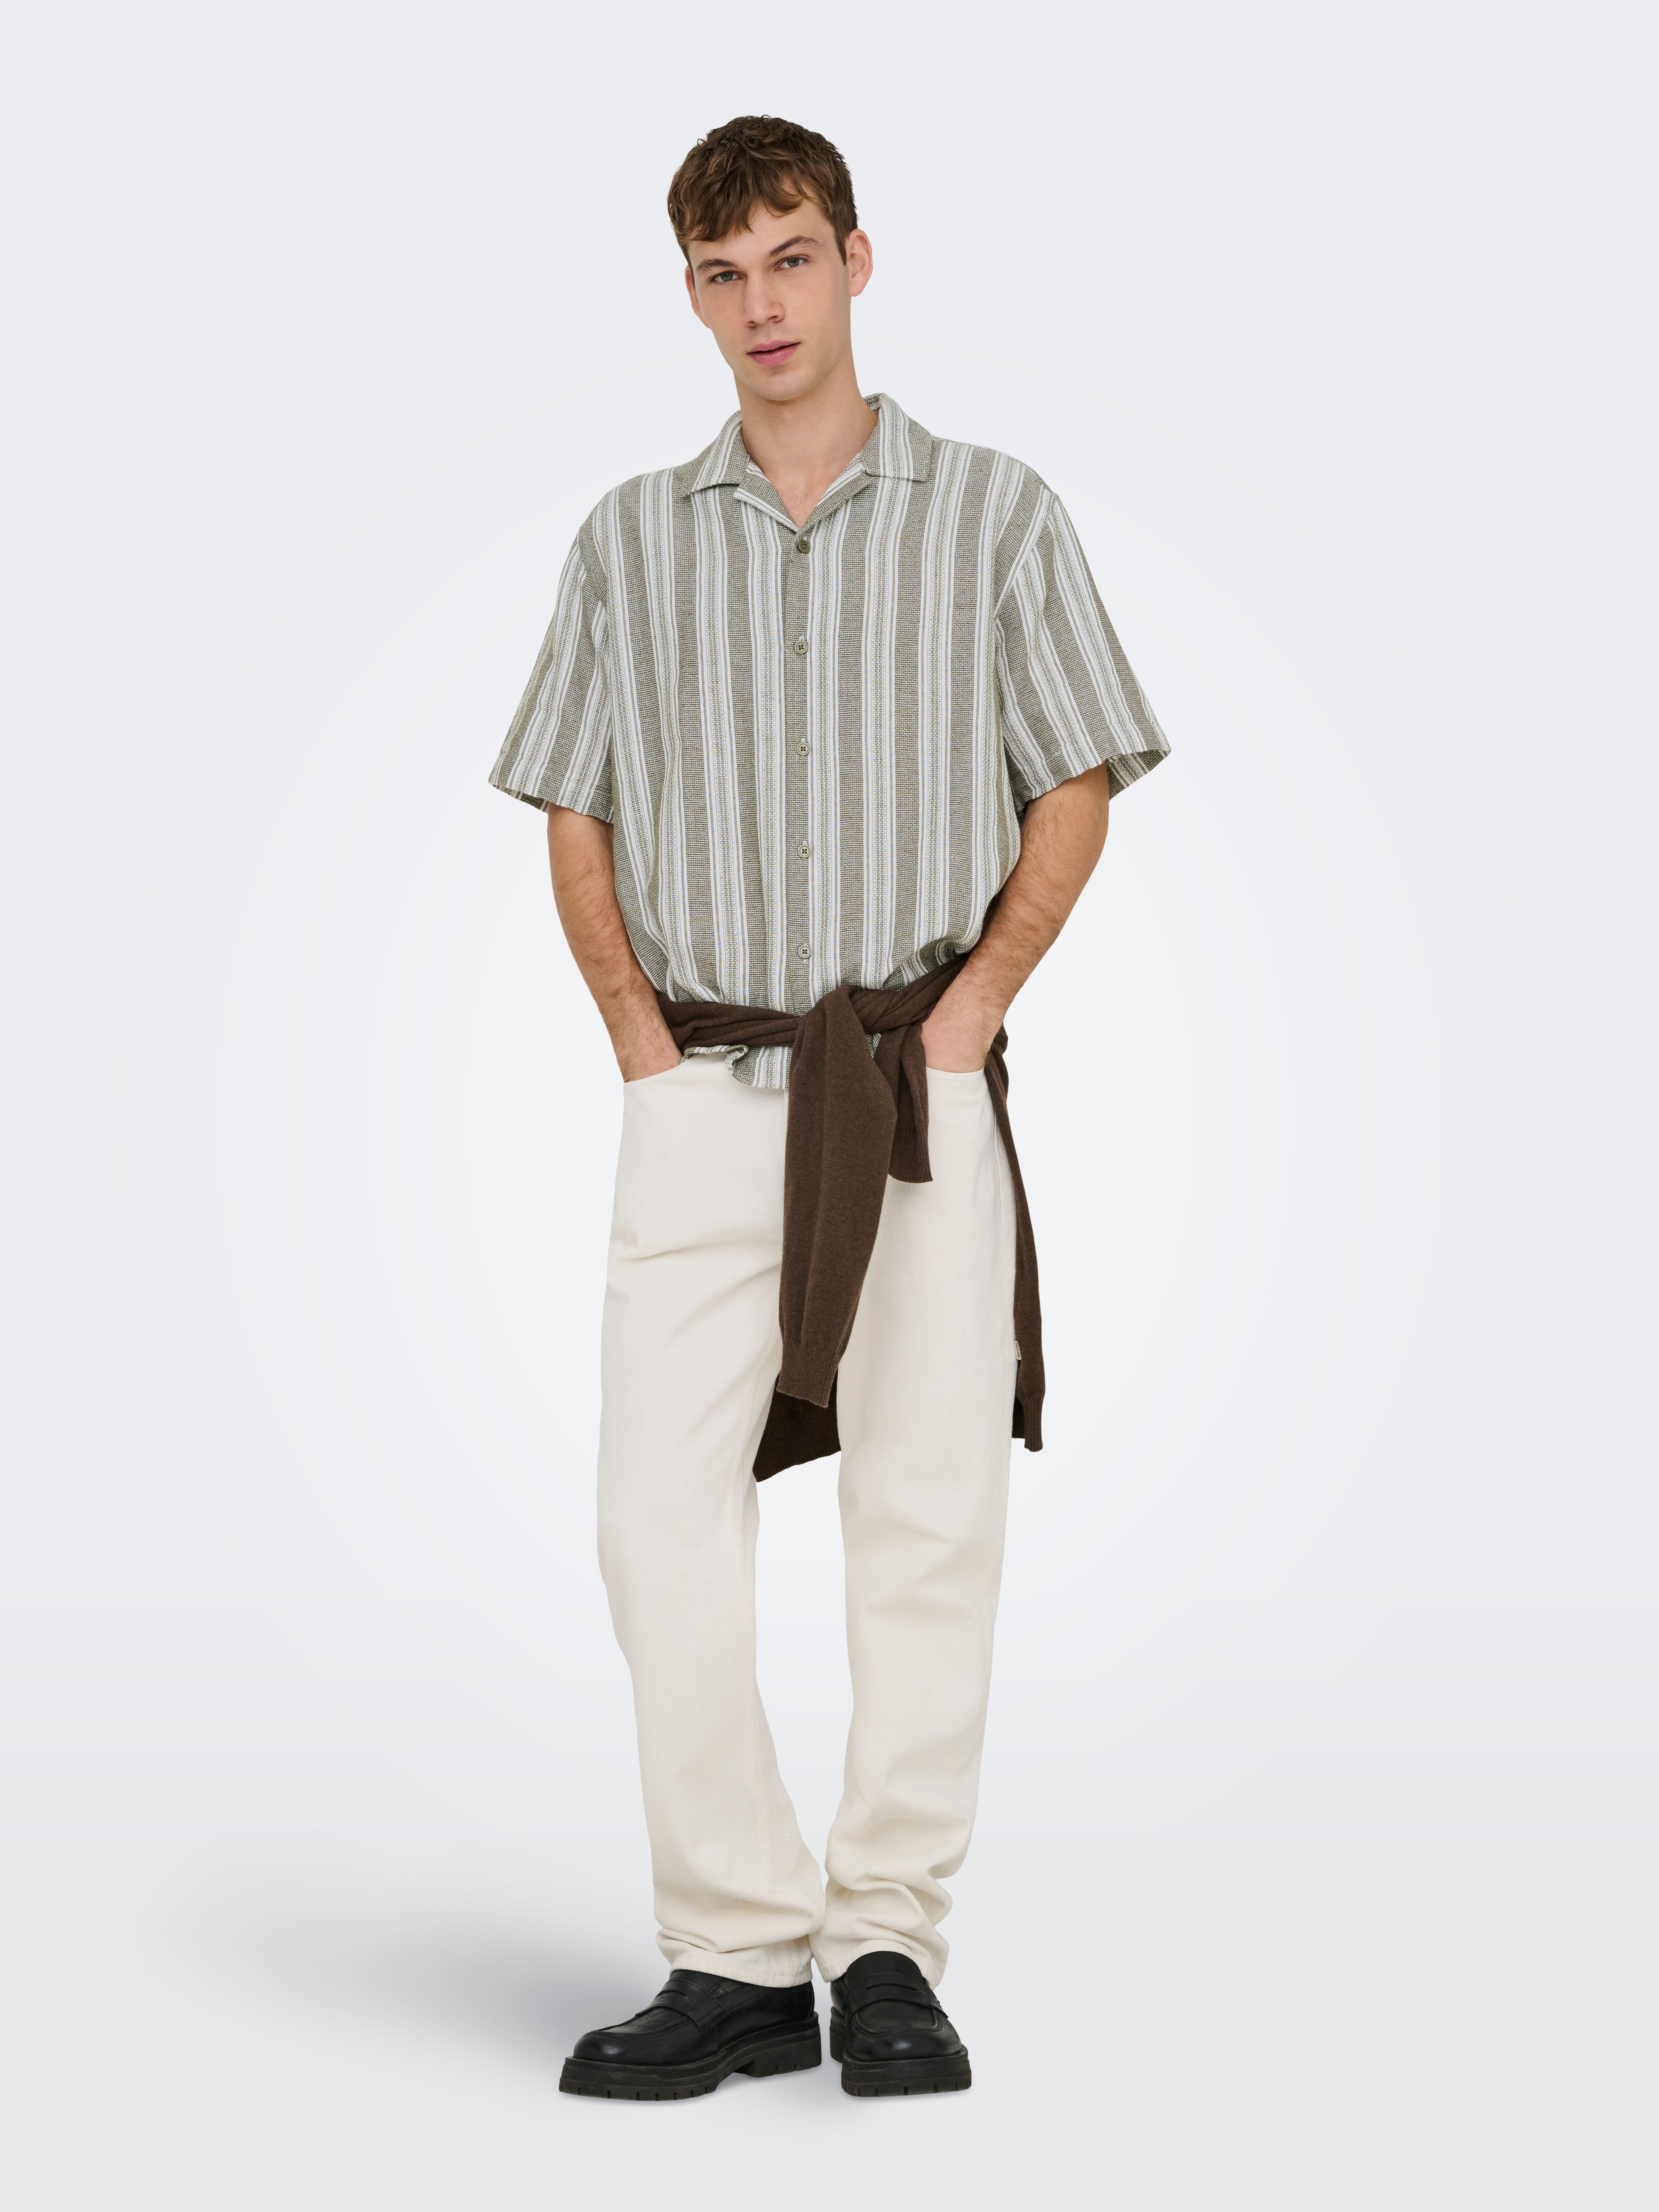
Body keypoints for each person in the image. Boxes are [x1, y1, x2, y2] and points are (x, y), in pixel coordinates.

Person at [489, 114, 1169, 2101]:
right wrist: (637, 1039)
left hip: (910, 1086)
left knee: (927, 1513)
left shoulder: (997, 513)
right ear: (692, 295)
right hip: (702, 1088)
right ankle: (732, 1947)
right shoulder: (629, 537)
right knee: (655, 1521)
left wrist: (969, 1019)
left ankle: (884, 1943)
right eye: (723, 273)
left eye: (790, 257)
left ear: (857, 260)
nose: (761, 304)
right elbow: (576, 805)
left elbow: (1073, 781)